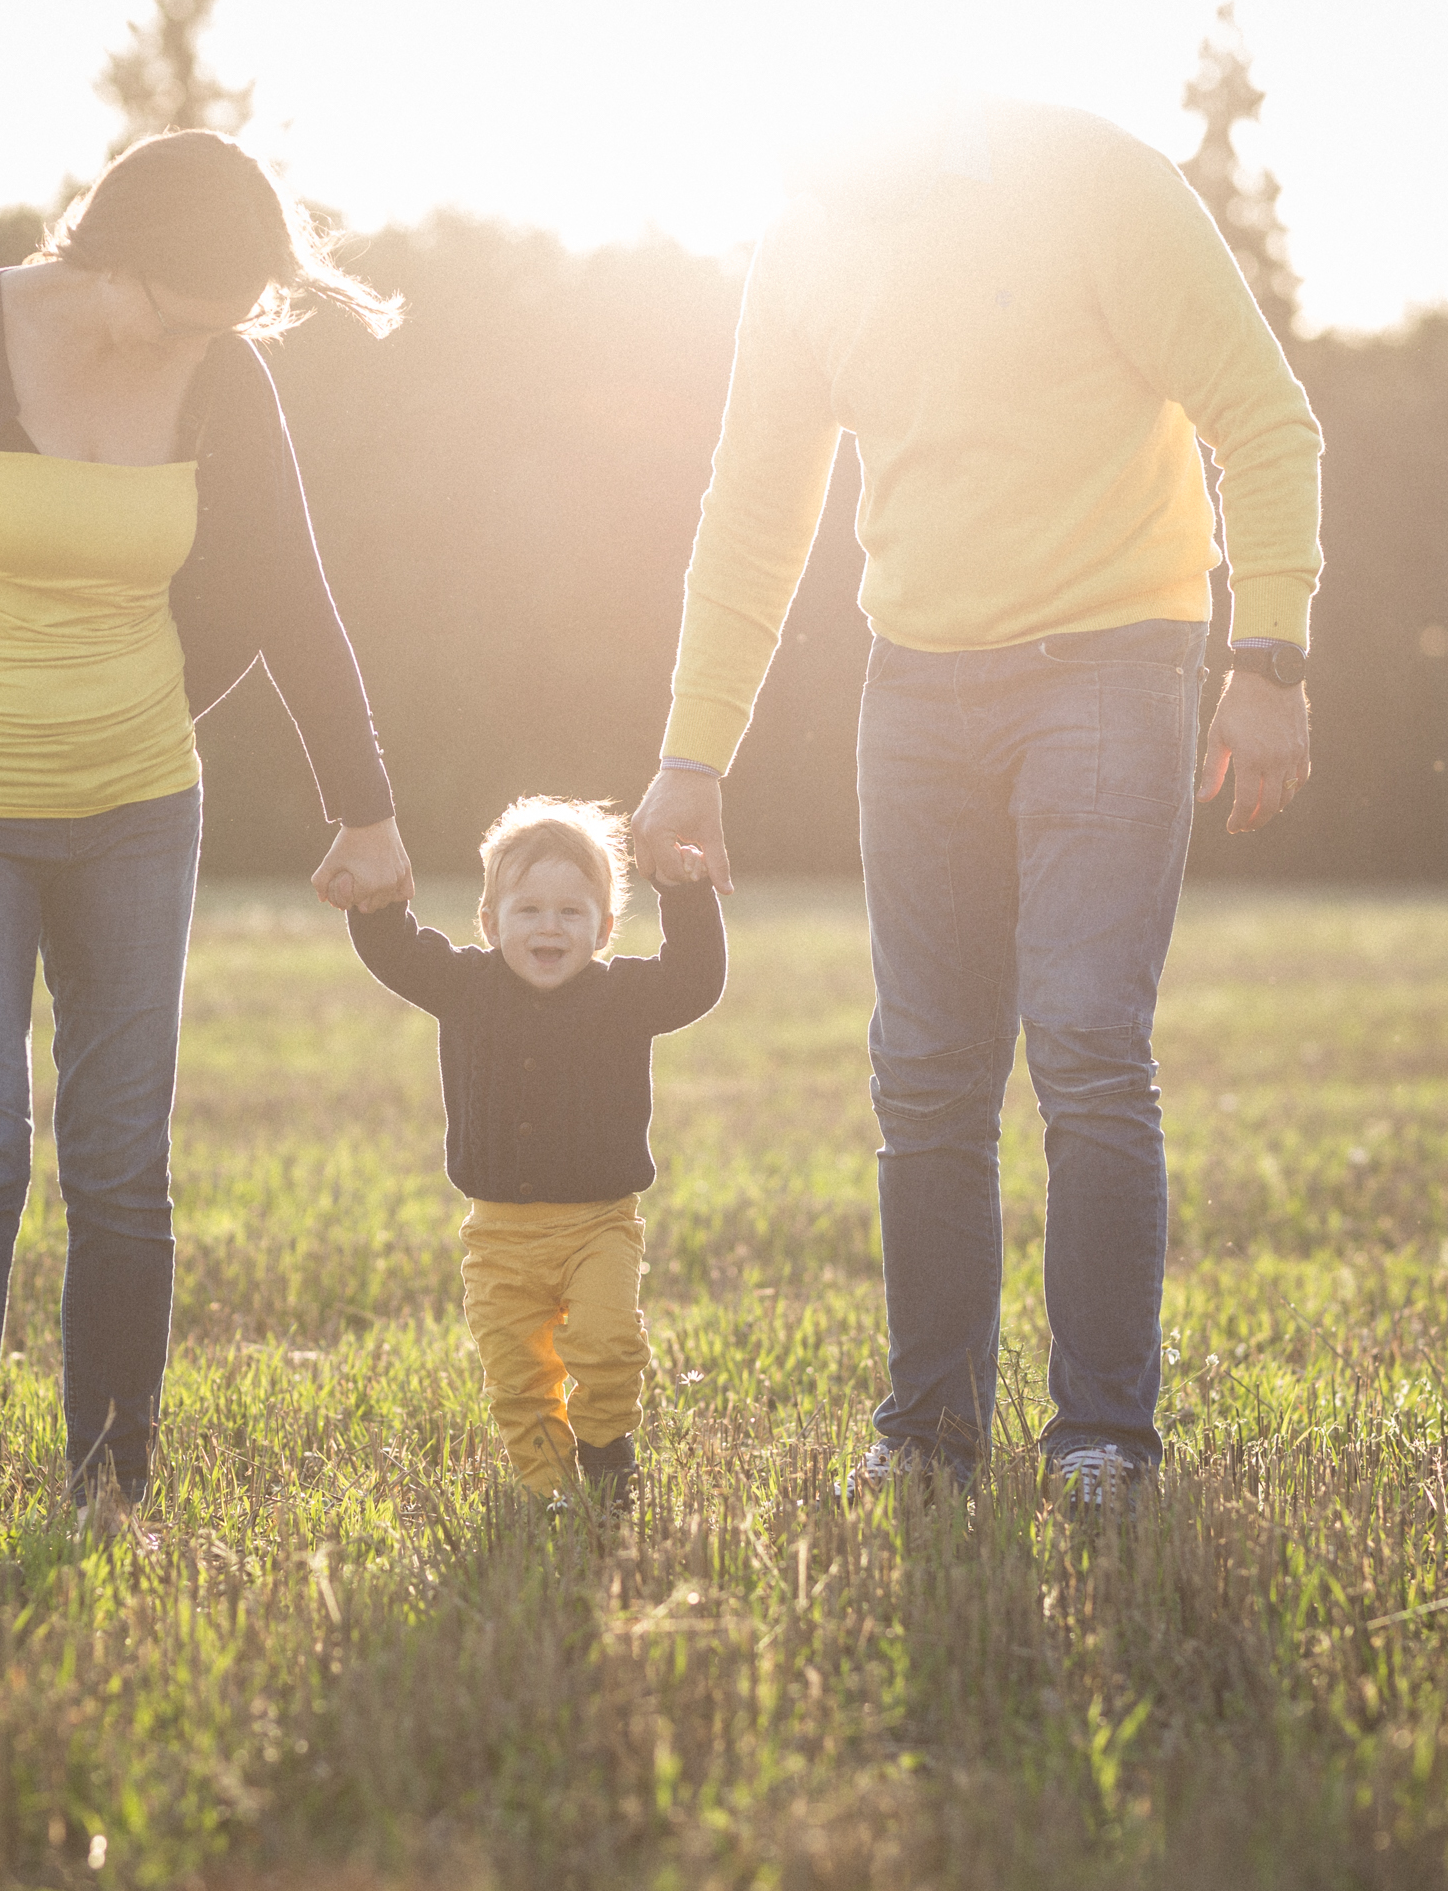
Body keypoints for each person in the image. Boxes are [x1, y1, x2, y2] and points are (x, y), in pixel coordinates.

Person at [628, 95, 1323, 1509]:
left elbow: (1268, 420)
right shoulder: (804, 236)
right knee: (927, 1069)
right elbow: (756, 505)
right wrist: (694, 751)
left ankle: (1104, 1440)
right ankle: (931, 1432)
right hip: (916, 686)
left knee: (1083, 1041)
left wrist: (1271, 659)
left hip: (1114, 667)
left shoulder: (1097, 180)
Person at [0, 131, 416, 1561]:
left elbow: (292, 593)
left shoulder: (227, 374)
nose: (184, 344)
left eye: (219, 325)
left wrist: (364, 805)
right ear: (111, 249)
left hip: (138, 802)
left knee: (124, 1166)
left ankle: (110, 1502)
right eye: (175, 311)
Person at [344, 799, 726, 1511]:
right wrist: (372, 899)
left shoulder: (622, 996)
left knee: (610, 1345)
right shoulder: (464, 986)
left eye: (572, 913)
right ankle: (550, 1495)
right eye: (528, 910)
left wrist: (685, 889)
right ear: (490, 923)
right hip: (499, 1238)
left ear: (606, 928)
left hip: (599, 1227)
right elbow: (395, 952)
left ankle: (607, 1450)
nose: (549, 927)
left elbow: (696, 982)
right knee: (518, 1378)